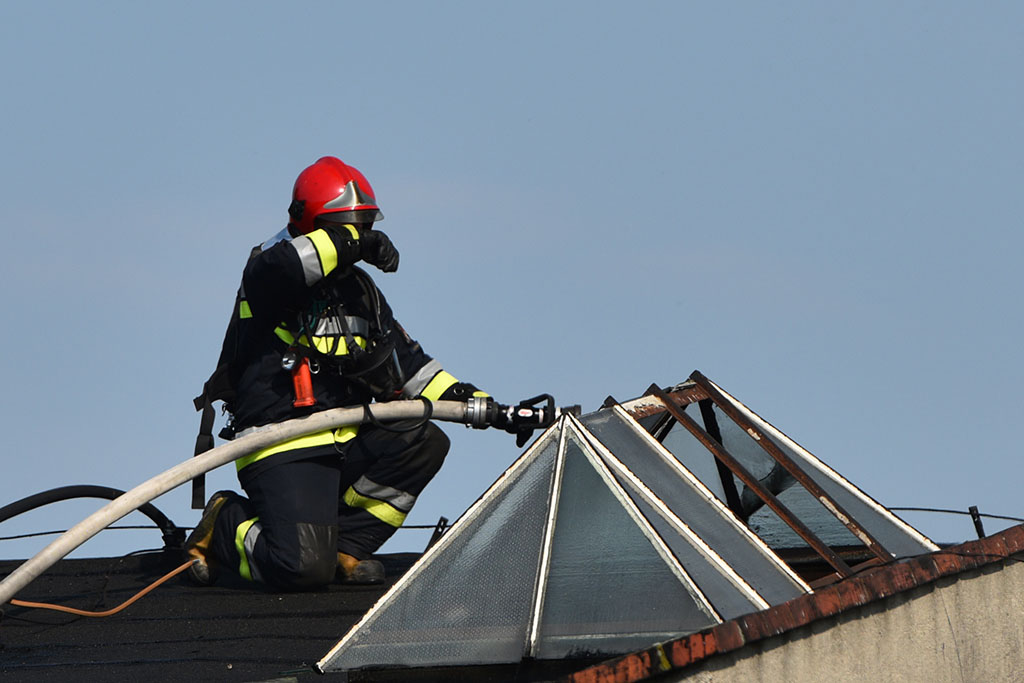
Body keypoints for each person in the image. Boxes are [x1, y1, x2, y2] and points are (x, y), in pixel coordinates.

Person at [186, 156, 494, 589]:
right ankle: (224, 526)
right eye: (348, 227)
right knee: (297, 568)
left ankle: (347, 547)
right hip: (282, 441)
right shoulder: (268, 271)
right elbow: (291, 265)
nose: (360, 236)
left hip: (346, 435)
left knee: (422, 439)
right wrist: (355, 243)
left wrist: (478, 404)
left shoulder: (359, 291)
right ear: (311, 224)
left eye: (363, 226)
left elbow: (409, 366)